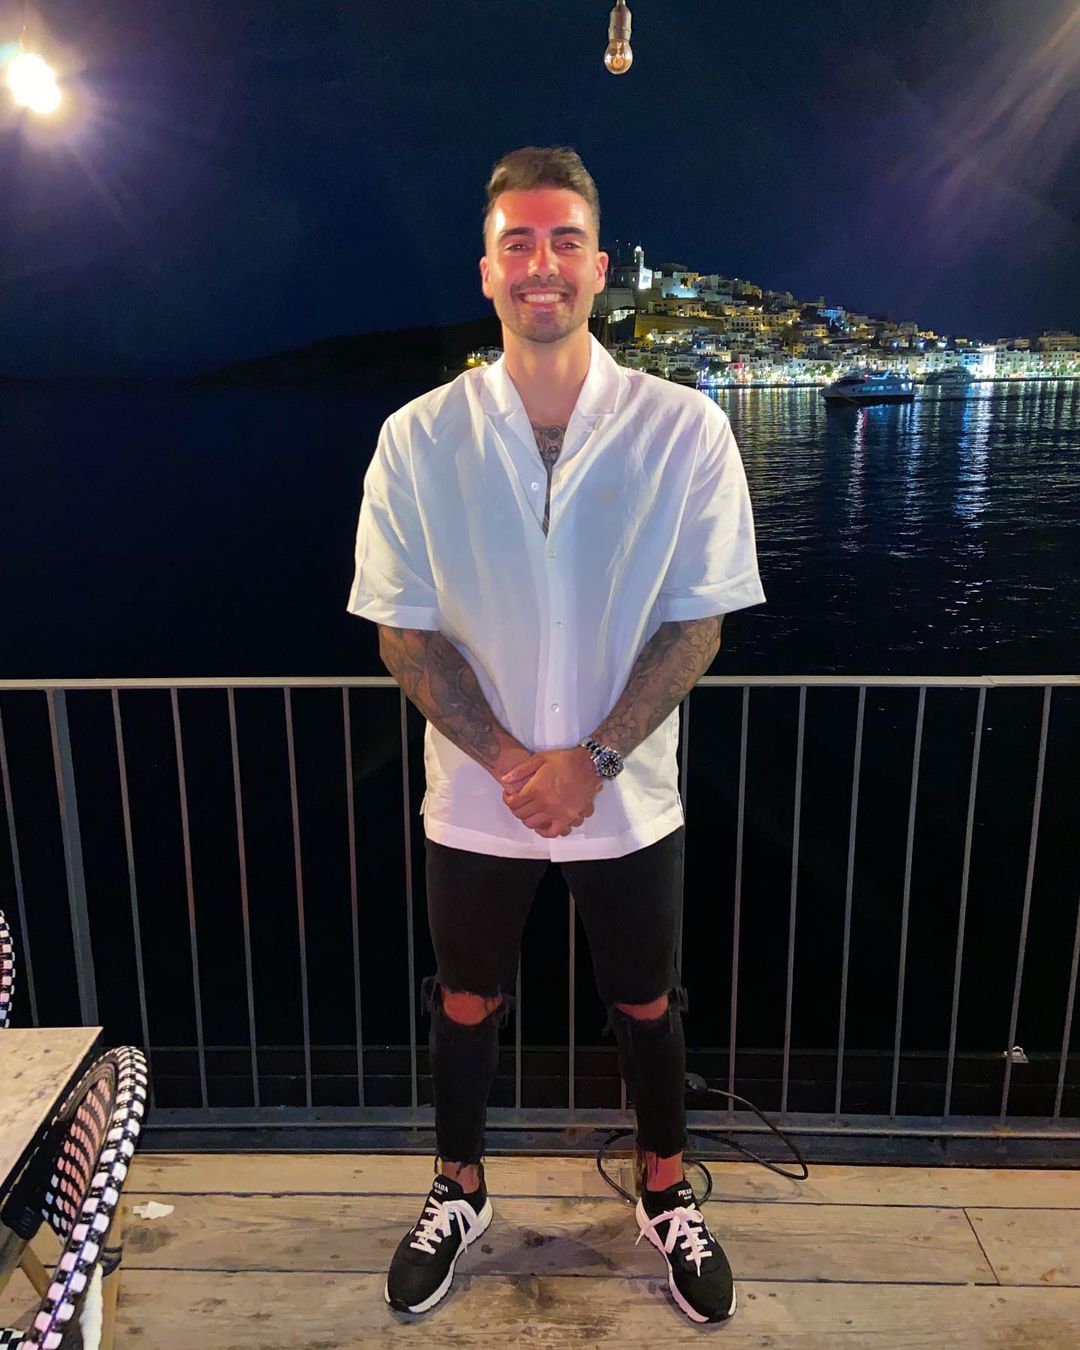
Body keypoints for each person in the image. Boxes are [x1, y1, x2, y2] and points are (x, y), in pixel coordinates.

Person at [347, 145, 764, 1324]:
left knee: (647, 1001)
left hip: (628, 797)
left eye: (565, 240)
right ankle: (459, 1187)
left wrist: (595, 760)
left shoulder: (684, 429)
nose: (543, 264)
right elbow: (403, 633)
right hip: (475, 799)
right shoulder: (418, 438)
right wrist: (513, 765)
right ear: (487, 270)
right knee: (464, 998)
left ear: (598, 264)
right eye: (518, 243)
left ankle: (666, 1193)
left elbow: (696, 626)